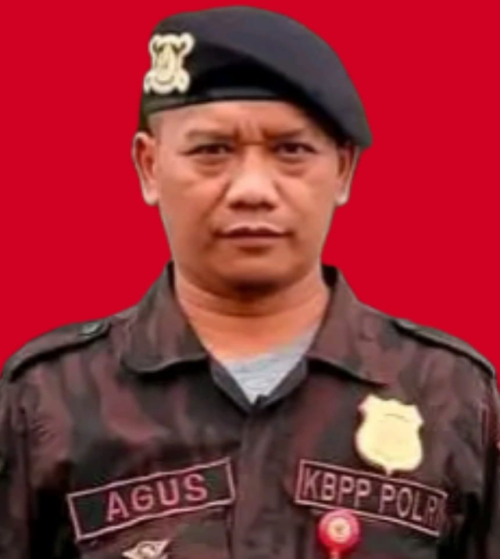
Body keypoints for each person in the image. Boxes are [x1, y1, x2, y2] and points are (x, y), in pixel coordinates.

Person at [0, 6, 498, 559]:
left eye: (291, 150)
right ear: (149, 166)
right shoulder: (46, 401)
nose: (253, 190)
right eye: (212, 151)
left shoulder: (450, 395)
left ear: (343, 170)